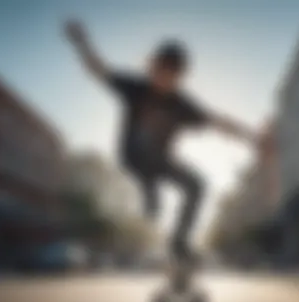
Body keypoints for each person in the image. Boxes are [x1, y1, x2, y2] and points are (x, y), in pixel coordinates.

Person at [64, 20, 258, 264]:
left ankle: (179, 242)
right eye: (159, 71)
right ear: (151, 67)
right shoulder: (135, 88)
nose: (163, 79)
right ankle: (149, 188)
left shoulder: (182, 104)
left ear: (179, 76)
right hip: (132, 156)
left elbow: (217, 121)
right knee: (148, 143)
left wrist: (252, 137)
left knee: (197, 185)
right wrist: (82, 43)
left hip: (163, 162)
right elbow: (99, 70)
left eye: (171, 75)